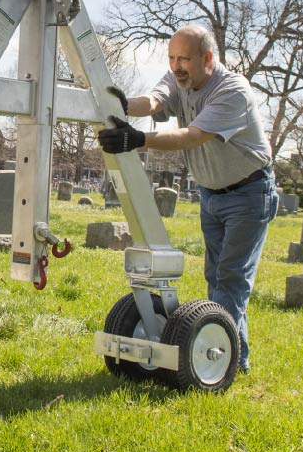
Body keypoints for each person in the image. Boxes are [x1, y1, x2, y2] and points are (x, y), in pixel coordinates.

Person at [96, 24, 276, 372]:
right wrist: (121, 104)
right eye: (172, 58)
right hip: (212, 194)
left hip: (249, 193)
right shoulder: (181, 81)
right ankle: (235, 357)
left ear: (208, 58)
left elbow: (193, 136)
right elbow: (154, 101)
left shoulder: (232, 91)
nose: (177, 66)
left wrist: (139, 140)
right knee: (218, 277)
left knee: (231, 278)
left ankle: (220, 362)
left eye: (185, 59)